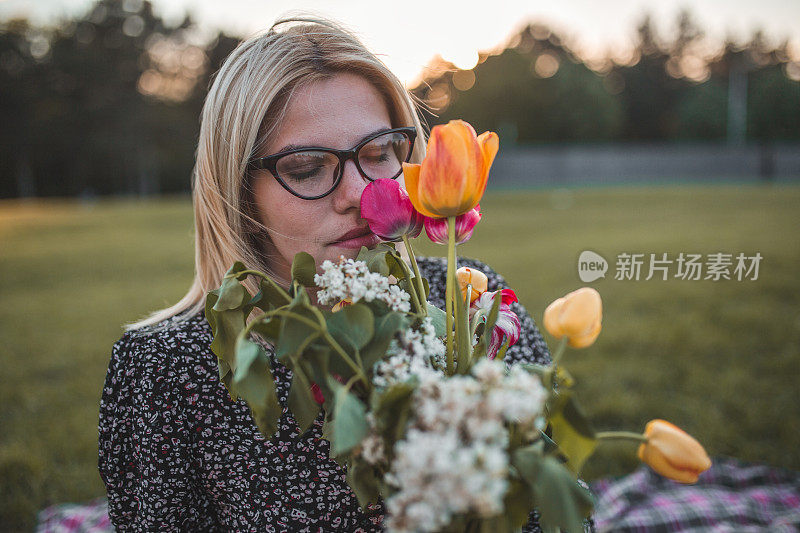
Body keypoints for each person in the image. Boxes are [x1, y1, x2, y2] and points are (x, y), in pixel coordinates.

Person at [97, 15, 594, 532]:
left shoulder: (471, 302)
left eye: (380, 154)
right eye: (307, 168)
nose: (359, 194)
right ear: (238, 190)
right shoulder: (162, 370)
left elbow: (565, 511)